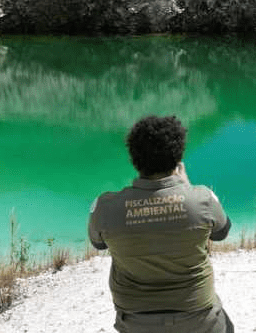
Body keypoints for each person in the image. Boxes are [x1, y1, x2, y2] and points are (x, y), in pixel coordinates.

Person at [88, 115, 234, 333]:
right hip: (199, 317)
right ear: (178, 156)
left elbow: (98, 243)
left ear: (134, 157)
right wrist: (186, 187)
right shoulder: (202, 199)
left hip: (136, 321)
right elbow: (222, 232)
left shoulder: (105, 206)